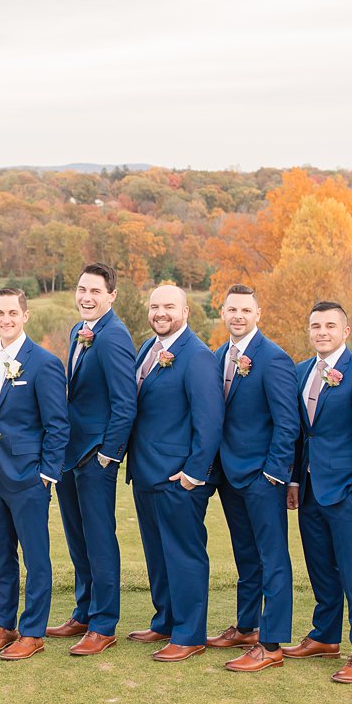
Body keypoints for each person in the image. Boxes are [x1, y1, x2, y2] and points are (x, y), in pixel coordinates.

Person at [287, 302, 352, 683]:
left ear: (346, 331)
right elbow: (301, 435)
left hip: (348, 492)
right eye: (316, 326)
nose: (322, 332)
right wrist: (295, 481)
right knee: (319, 569)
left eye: (330, 325)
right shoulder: (300, 373)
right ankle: (325, 636)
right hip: (311, 489)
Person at [124, 284, 223, 662]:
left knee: (183, 555)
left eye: (169, 306)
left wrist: (193, 473)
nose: (160, 313)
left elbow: (210, 420)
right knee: (157, 554)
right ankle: (165, 619)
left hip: (179, 477)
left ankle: (189, 633)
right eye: (154, 306)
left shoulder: (196, 356)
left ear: (185, 311)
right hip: (147, 472)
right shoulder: (147, 349)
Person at [206, 286, 301, 674]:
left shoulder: (274, 358)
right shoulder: (217, 358)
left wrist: (275, 475)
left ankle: (272, 642)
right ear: (223, 313)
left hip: (263, 477)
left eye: (246, 309)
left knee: (272, 557)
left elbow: (287, 423)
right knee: (246, 556)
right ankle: (247, 626)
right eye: (232, 309)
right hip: (230, 475)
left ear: (258, 312)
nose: (238, 316)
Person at [0, 287, 69, 661]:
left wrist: (48, 473)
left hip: (30, 475)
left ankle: (32, 632)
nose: (7, 319)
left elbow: (58, 424)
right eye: (0, 313)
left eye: (13, 313)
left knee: (36, 555)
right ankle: (4, 625)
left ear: (25, 316)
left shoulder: (43, 362)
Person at [50, 262, 137, 654]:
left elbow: (125, 403)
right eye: (82, 289)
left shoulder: (115, 336)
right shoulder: (79, 331)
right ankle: (83, 612)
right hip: (71, 452)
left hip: (96, 456)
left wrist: (108, 455)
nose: (86, 297)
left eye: (95, 292)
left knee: (100, 539)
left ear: (111, 296)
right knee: (77, 536)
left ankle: (104, 624)